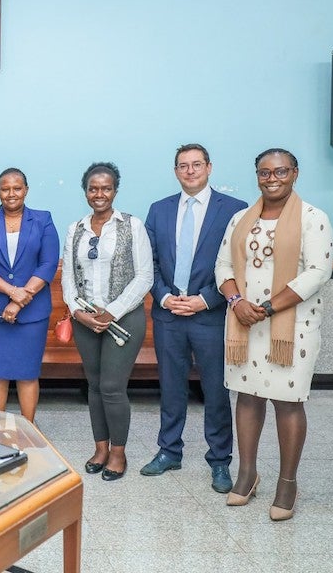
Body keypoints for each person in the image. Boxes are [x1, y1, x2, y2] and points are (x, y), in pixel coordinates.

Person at [214, 148, 333, 521]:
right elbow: (222, 265)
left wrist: (265, 308)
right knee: (247, 397)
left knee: (287, 401)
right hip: (243, 322)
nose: (272, 178)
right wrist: (236, 301)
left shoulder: (313, 219)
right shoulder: (239, 219)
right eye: (264, 172)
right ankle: (247, 473)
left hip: (290, 327)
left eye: (280, 171)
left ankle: (287, 483)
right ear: (257, 176)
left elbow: (317, 272)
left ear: (295, 173)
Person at [141, 144, 247, 493]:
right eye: (183, 166)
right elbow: (149, 262)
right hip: (169, 313)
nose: (190, 171)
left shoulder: (234, 210)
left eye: (196, 164)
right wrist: (165, 296)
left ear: (209, 167)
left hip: (210, 316)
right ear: (175, 171)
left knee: (215, 390)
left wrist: (204, 300)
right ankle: (169, 450)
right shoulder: (159, 210)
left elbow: (238, 267)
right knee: (171, 388)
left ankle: (220, 460)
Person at [61, 162, 153, 482]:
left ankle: (118, 451)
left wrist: (112, 311)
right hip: (85, 321)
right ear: (86, 190)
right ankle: (100, 448)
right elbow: (69, 278)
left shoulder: (132, 225)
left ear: (115, 190)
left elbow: (144, 276)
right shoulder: (76, 229)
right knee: (95, 386)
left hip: (124, 319)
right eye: (93, 188)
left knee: (113, 387)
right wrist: (77, 311)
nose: (99, 194)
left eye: (106, 188)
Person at [0, 168, 59, 423]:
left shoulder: (43, 220)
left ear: (26, 190)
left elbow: (48, 265)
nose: (11, 194)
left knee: (27, 373)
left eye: (17, 188)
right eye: (5, 188)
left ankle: (28, 429)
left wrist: (19, 301)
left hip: (32, 312)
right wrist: (12, 293)